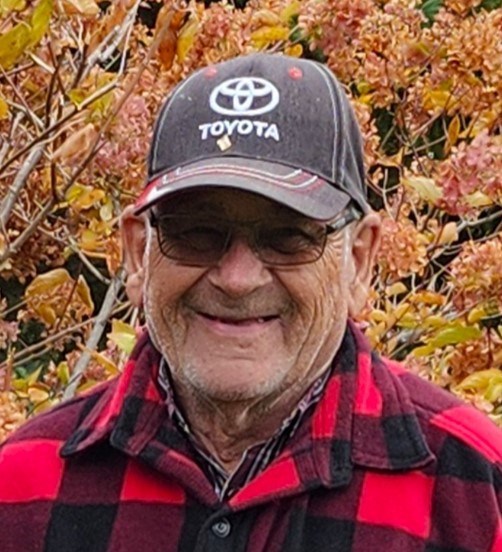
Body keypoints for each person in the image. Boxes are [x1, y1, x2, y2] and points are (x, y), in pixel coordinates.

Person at [0, 54, 500, 552]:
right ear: (136, 253)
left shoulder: (477, 494)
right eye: (196, 232)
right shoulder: (21, 489)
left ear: (359, 259)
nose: (237, 279)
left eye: (288, 236)